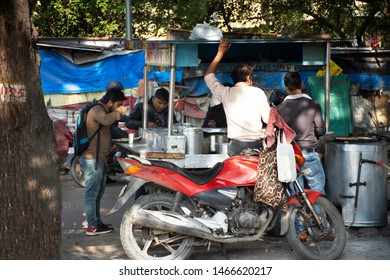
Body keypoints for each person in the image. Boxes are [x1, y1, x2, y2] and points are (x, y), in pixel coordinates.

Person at [204, 38, 270, 156]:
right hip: (256, 145)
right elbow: (267, 119)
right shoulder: (258, 93)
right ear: (249, 78)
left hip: (236, 146)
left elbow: (208, 76)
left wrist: (220, 54)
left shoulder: (226, 93)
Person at [80, 88, 127, 236]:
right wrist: (119, 112)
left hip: (99, 158)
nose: (119, 108)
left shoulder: (102, 109)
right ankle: (92, 226)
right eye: (118, 105)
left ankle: (96, 222)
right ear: (110, 102)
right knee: (92, 193)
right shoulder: (96, 109)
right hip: (91, 158)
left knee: (98, 193)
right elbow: (106, 120)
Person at [276, 71, 326, 195]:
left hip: (289, 156)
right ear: (302, 84)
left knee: (295, 194)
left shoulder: (280, 108)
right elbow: (321, 130)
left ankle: (298, 215)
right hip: (307, 154)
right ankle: (319, 214)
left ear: (286, 87)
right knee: (317, 190)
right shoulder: (313, 104)